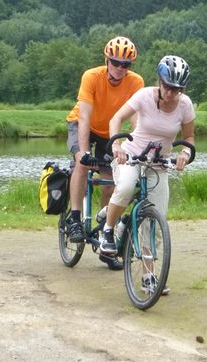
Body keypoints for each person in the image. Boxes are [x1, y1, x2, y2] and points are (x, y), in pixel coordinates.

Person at [100, 55, 196, 292]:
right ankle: (109, 231)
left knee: (154, 222)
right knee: (124, 187)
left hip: (159, 163)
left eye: (177, 89)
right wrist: (115, 146)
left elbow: (189, 137)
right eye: (167, 87)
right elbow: (117, 118)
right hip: (131, 156)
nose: (172, 93)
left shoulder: (185, 105)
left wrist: (184, 152)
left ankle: (149, 277)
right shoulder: (144, 96)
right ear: (159, 82)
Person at [65, 36, 144, 270]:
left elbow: (136, 120)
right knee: (82, 163)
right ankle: (76, 219)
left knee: (109, 183)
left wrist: (136, 148)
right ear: (107, 60)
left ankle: (105, 241)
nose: (120, 68)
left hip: (110, 132)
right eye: (116, 62)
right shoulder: (92, 76)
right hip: (84, 126)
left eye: (126, 65)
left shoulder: (136, 82)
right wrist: (82, 152)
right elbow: (84, 116)